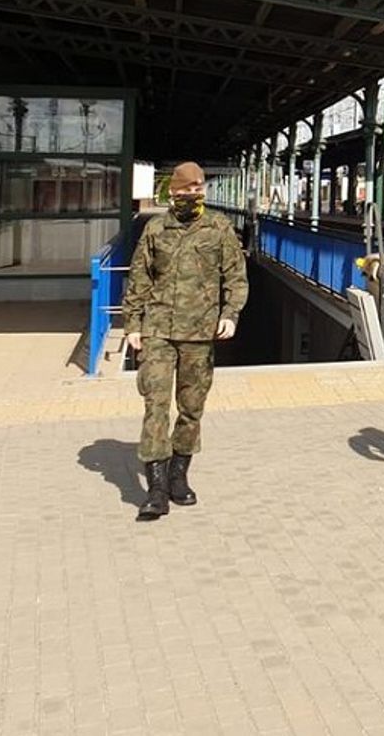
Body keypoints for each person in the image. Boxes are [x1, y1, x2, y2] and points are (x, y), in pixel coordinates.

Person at [122, 161, 248, 521]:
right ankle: (156, 490)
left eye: (198, 189)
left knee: (191, 408)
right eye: (186, 189)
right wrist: (133, 324)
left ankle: (179, 476)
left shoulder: (219, 228)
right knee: (155, 407)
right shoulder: (155, 229)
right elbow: (139, 278)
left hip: (200, 332)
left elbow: (236, 276)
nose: (192, 194)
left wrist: (230, 314)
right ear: (172, 191)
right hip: (158, 330)